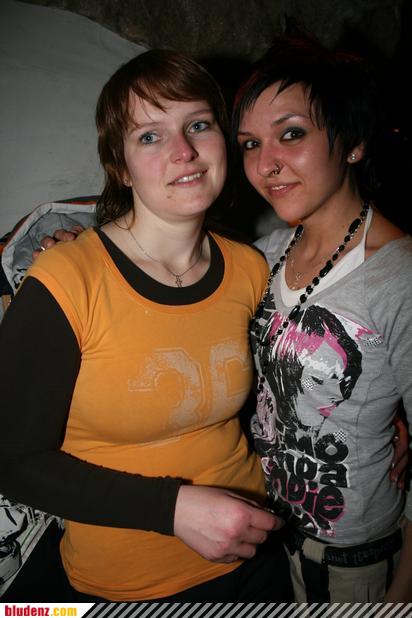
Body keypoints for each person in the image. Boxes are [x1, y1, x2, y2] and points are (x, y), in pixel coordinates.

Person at [0, 49, 292, 602]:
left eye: (198, 125)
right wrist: (172, 509)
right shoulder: (67, 279)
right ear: (120, 166)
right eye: (150, 136)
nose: (184, 151)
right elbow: (12, 463)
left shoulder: (249, 269)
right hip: (126, 587)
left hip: (256, 560)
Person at [231, 34, 412, 602]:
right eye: (250, 143)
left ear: (353, 142)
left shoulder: (398, 277)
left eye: (291, 134)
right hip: (268, 537)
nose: (265, 164)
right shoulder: (262, 255)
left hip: (355, 564)